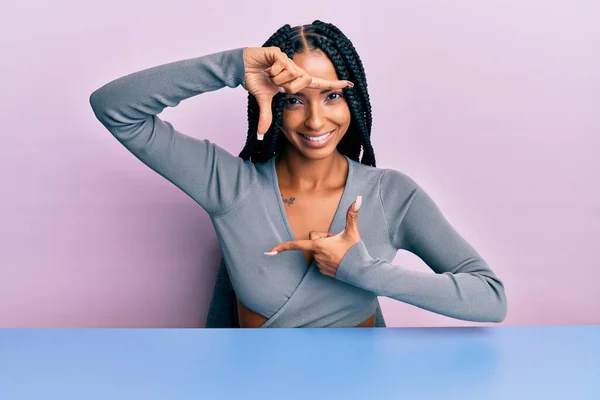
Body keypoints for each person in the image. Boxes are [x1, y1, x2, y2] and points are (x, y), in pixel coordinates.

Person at [89, 20, 507, 328]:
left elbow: (491, 299)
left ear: (354, 102)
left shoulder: (390, 194)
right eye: (293, 101)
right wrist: (234, 67)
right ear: (269, 102)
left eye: (331, 96)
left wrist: (365, 272)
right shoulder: (229, 185)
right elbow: (115, 108)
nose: (315, 119)